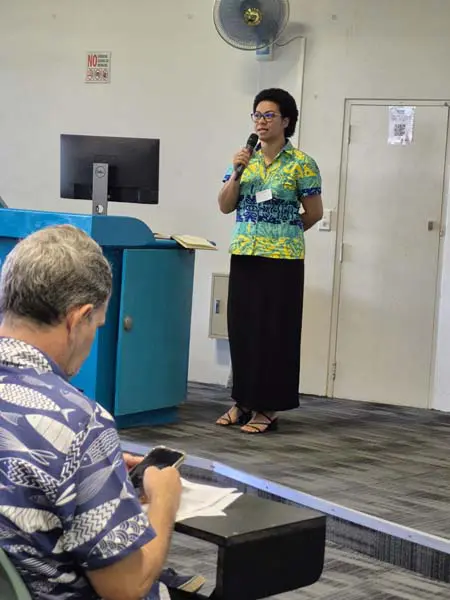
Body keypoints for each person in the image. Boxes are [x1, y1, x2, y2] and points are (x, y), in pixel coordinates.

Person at [0, 225, 202, 600]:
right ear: (78, 319)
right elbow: (126, 588)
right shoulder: (78, 423)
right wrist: (164, 500)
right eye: (97, 325)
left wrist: (91, 469)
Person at [216, 88, 323, 434]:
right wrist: (236, 173)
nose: (261, 122)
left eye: (269, 115)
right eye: (257, 115)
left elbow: (314, 213)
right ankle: (243, 401)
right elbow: (225, 205)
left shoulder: (302, 163)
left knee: (275, 333)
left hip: (282, 259)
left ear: (286, 121)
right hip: (245, 253)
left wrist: (283, 231)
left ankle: (269, 408)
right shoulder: (243, 159)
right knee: (243, 330)